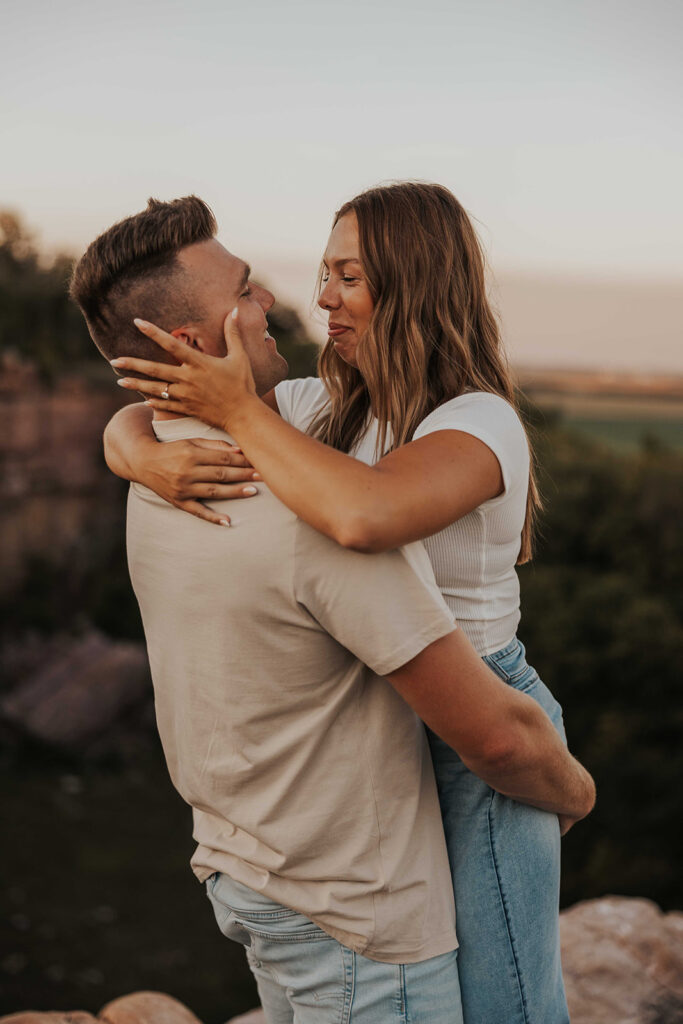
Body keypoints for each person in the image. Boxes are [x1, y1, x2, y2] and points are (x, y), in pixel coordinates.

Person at [97, 191, 594, 1024]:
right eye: (323, 272)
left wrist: (569, 790)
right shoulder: (313, 409)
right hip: (385, 727)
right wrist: (137, 453)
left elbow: (363, 516)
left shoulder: (478, 424)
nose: (320, 296)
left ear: (416, 286)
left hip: (481, 723)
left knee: (506, 1004)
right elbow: (141, 415)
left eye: (349, 275)